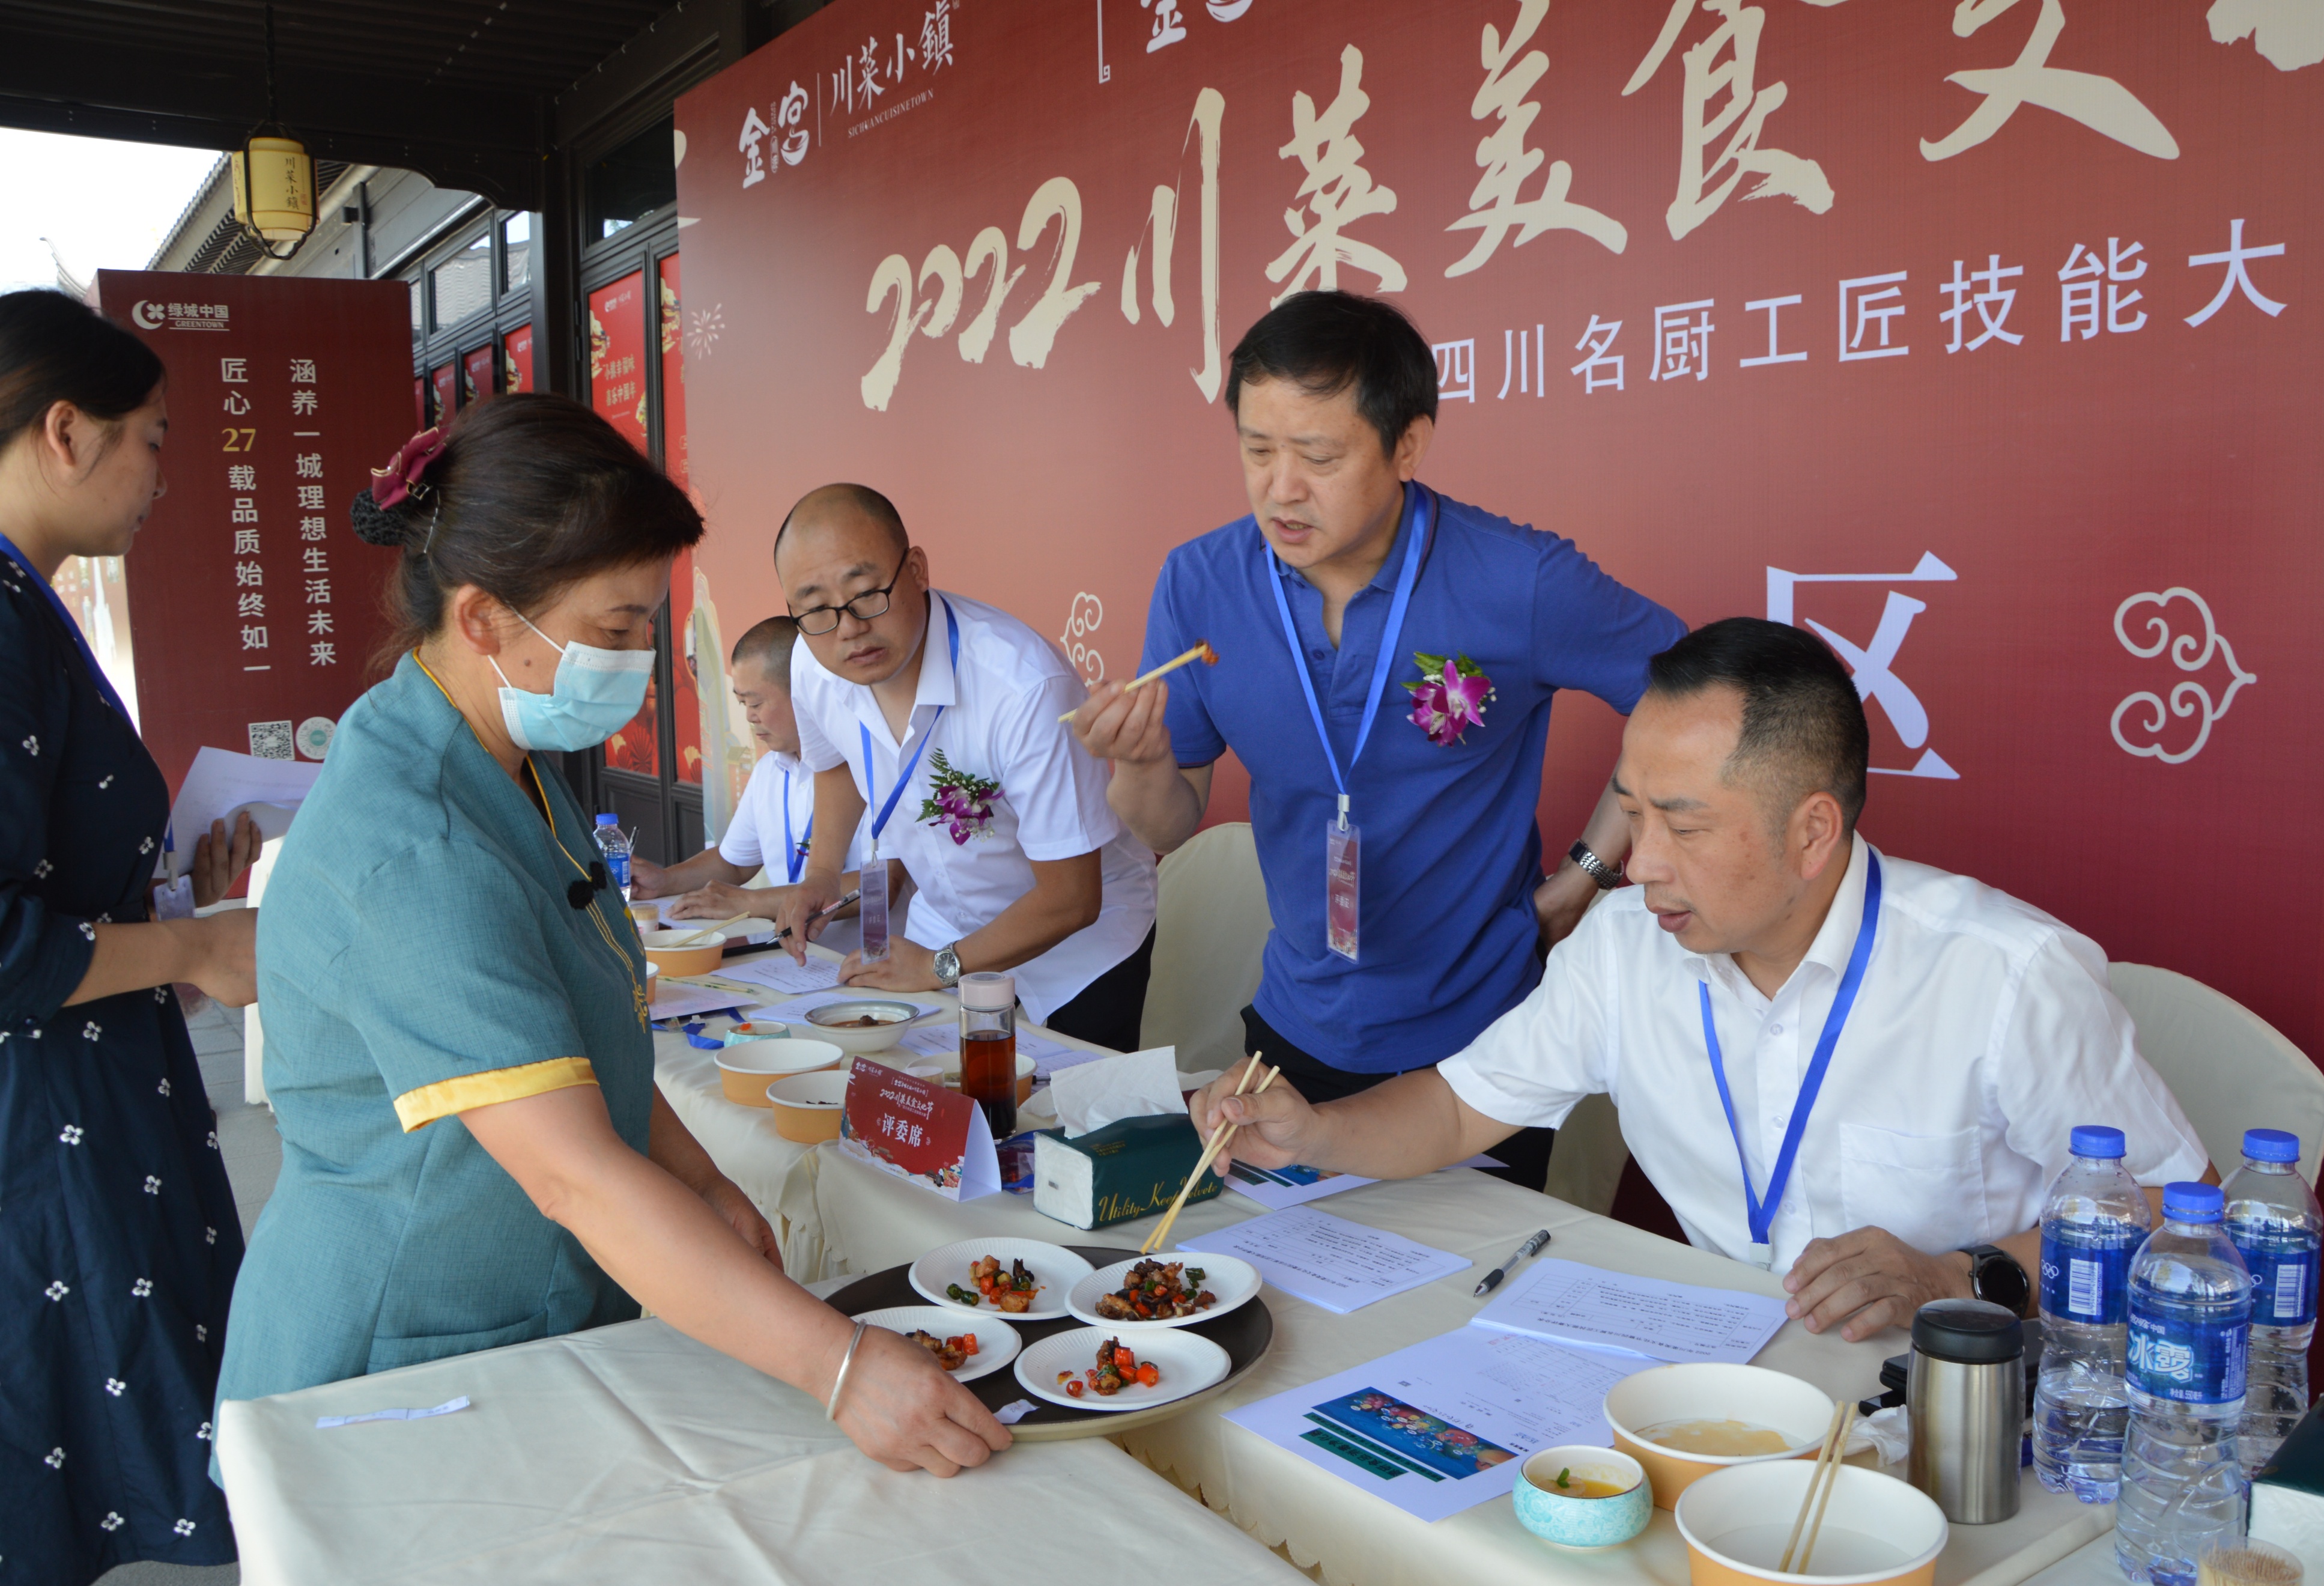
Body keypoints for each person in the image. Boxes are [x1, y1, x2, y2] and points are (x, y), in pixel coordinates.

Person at [217, 397, 1009, 1478]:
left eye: (648, 621)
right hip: (397, 1357)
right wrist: (840, 1368)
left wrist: (700, 1181)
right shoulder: (419, 849)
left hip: (521, 1316)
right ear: (486, 617)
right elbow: (573, 1175)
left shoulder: (503, 768)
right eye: (615, 628)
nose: (640, 658)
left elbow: (570, 1036)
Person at [1195, 618, 2216, 1341]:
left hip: (1965, 1399)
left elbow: (2187, 1211)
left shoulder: (2002, 976)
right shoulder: (1625, 946)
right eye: (1633, 814)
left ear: (1812, 831)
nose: (1638, 867)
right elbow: (1463, 1108)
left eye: (1682, 826)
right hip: (1717, 1364)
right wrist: (1318, 1134)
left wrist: (1965, 1274)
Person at [1072, 290, 1685, 1188]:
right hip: (1292, 1028)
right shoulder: (1201, 581)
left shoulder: (1517, 579)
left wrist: (1584, 879)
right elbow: (1164, 824)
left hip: (1480, 1046)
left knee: (1460, 1312)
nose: (1280, 488)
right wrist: (1139, 760)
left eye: (1317, 455)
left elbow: (1694, 702)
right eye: (1256, 449)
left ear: (1406, 444)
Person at [0, 290, 261, 1582]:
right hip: (44, 1130)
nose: (165, 472)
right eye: (151, 437)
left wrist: (172, 904)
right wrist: (199, 953)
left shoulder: (29, 606)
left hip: (94, 1100)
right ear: (64, 432)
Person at [773, 484, 1159, 1053]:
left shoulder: (1023, 688)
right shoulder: (813, 658)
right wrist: (823, 875)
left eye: (865, 593)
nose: (848, 627)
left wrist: (939, 966)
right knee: (931, 1097)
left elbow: (1074, 898)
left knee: (1067, 1121)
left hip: (1079, 952)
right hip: (944, 920)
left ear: (917, 570)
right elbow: (834, 764)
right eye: (815, 608)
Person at [628, 616, 876, 949]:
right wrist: (665, 881)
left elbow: (882, 884)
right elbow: (733, 862)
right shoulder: (769, 770)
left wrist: (752, 903)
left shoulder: (872, 765)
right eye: (742, 702)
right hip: (785, 960)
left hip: (862, 964)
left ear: (806, 692)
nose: (749, 716)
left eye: (757, 703)